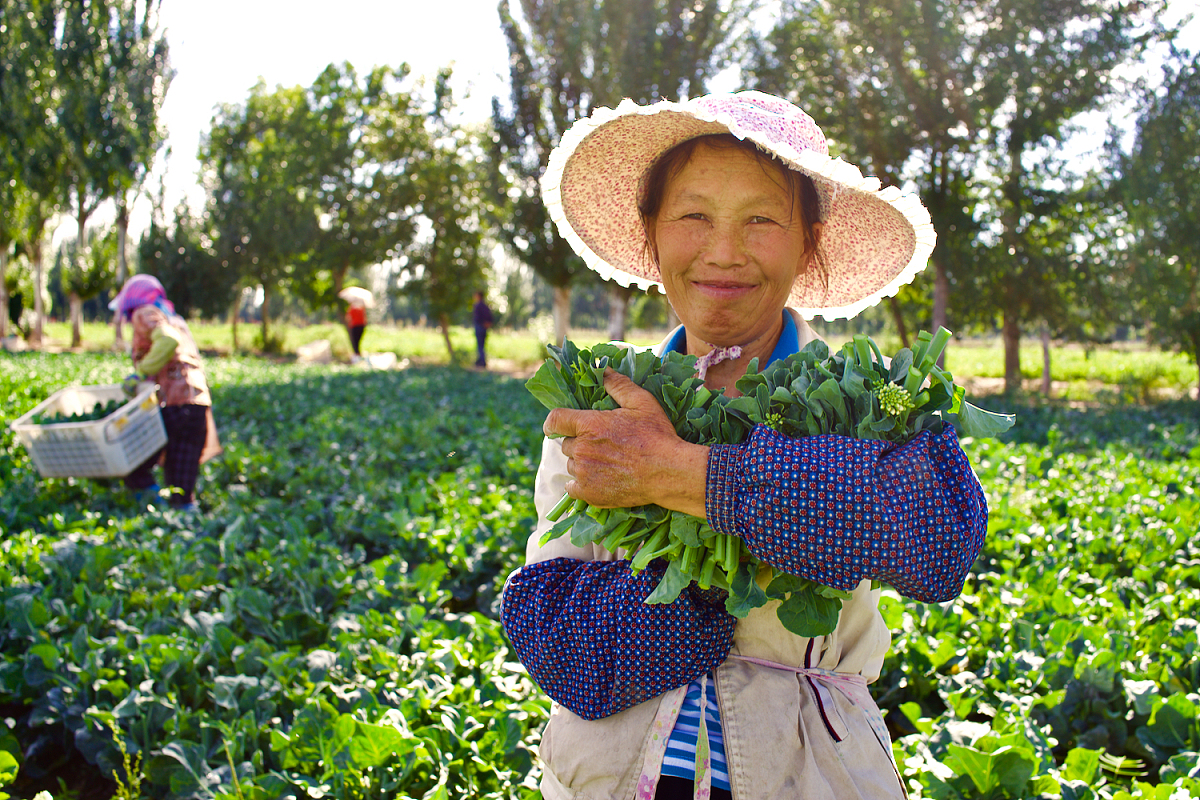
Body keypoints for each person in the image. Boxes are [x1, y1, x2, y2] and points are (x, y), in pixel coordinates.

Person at [499, 91, 988, 800]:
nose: (723, 253)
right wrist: (713, 588)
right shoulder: (598, 405)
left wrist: (680, 476)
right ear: (652, 233)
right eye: (693, 215)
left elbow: (937, 541)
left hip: (806, 774)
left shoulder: (873, 400)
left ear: (808, 241)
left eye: (761, 219)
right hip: (608, 778)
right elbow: (556, 633)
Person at [109, 275, 220, 511]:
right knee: (181, 485)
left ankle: (151, 510)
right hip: (196, 402)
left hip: (176, 403)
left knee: (135, 465)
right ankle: (182, 526)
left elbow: (168, 341)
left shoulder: (144, 312)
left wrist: (142, 372)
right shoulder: (172, 317)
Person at [472, 290, 493, 367]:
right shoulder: (485, 306)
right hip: (484, 327)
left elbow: (477, 318)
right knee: (482, 344)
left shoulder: (478, 306)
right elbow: (490, 317)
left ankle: (482, 361)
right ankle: (480, 360)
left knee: (480, 344)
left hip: (480, 327)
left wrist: (483, 323)